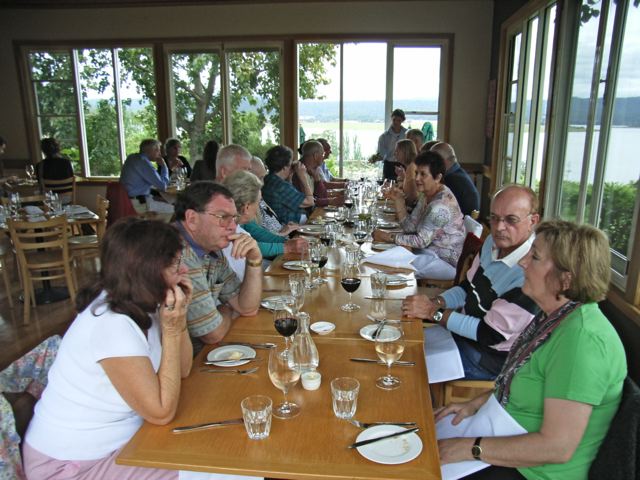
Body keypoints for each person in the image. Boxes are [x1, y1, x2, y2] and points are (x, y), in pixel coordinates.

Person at [436, 220, 627, 480]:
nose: (523, 262)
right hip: (500, 436)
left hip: (532, 472)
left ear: (565, 279)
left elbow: (556, 447)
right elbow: (522, 380)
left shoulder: (582, 341)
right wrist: (474, 404)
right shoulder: (554, 317)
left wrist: (469, 448)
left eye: (535, 257)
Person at [23, 218, 195, 478]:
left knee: (216, 455)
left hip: (120, 442)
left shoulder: (141, 302)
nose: (184, 270)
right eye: (174, 264)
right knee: (210, 471)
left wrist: (179, 322)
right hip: (70, 466)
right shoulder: (111, 324)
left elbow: (183, 370)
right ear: (147, 270)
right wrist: (171, 331)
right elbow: (161, 413)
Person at [402, 184, 540, 379]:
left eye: (511, 220)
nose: (499, 227)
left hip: (489, 358)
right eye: (494, 218)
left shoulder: (531, 274)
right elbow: (467, 287)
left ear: (533, 221)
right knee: (398, 341)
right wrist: (437, 302)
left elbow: (489, 334)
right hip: (461, 334)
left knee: (405, 367)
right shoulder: (493, 242)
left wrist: (433, 312)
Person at [173, 181, 262, 355]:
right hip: (177, 364)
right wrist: (226, 309)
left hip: (198, 356)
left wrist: (254, 260)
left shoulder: (210, 249)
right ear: (192, 219)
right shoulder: (179, 254)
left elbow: (247, 308)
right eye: (223, 217)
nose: (233, 226)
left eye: (234, 218)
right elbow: (212, 334)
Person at [373, 151, 464, 280]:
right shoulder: (427, 195)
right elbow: (410, 228)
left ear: (437, 177)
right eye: (416, 173)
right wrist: (399, 201)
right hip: (429, 252)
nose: (416, 178)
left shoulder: (440, 206)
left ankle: (387, 289)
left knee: (392, 263)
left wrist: (388, 236)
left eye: (423, 174)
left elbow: (420, 241)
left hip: (445, 262)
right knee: (388, 256)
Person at [223, 170, 307, 260]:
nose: (259, 207)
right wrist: (286, 247)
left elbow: (262, 235)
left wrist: (289, 242)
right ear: (246, 207)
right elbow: (252, 248)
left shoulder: (240, 221)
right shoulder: (227, 227)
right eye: (258, 202)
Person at [119, 139, 173, 218]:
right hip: (139, 205)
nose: (160, 153)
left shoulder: (131, 158)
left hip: (127, 201)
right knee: (175, 210)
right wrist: (164, 166)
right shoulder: (144, 163)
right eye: (157, 150)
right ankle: (156, 226)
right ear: (150, 150)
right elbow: (163, 186)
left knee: (164, 202)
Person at [262, 145, 314, 224]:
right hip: (292, 225)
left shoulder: (268, 179)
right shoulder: (280, 186)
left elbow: (287, 198)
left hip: (285, 222)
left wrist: (290, 177)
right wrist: (303, 177)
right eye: (290, 163)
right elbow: (310, 202)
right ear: (284, 167)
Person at [250, 156, 298, 237]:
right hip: (279, 242)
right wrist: (281, 233)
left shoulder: (258, 196)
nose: (263, 183)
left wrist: (285, 227)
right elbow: (256, 238)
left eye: (263, 178)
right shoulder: (247, 204)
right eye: (260, 178)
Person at [431, 142, 480, 216]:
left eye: (432, 162)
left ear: (442, 161)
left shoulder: (451, 181)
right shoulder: (458, 174)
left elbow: (437, 211)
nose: (430, 165)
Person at [293, 140, 341, 208]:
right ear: (315, 156)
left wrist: (317, 179)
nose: (323, 157)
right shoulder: (298, 171)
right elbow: (307, 203)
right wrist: (332, 201)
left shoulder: (313, 169)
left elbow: (322, 195)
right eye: (322, 154)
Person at [373, 108, 407, 181]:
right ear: (391, 118)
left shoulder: (407, 134)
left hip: (403, 165)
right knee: (387, 186)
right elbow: (381, 154)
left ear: (402, 120)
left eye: (399, 120)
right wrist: (374, 158)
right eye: (394, 120)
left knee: (403, 185)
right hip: (389, 166)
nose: (396, 122)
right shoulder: (384, 136)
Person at [392, 139, 418, 206]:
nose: (394, 154)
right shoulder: (410, 166)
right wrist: (403, 176)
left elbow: (412, 198)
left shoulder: (412, 168)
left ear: (405, 152)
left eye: (397, 151)